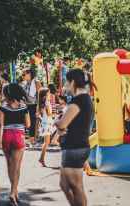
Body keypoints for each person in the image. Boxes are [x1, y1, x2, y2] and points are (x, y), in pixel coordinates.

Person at [54, 69, 97, 206]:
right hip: (73, 146)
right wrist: (63, 128)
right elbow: (69, 124)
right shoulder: (83, 100)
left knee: (76, 187)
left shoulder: (79, 100)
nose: (64, 87)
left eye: (66, 83)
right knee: (65, 185)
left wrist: (56, 121)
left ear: (73, 82)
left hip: (75, 147)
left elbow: (61, 124)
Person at [0, 83, 30, 205]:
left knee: (9, 164)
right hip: (18, 136)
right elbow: (28, 125)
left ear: (6, 95)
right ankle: (13, 192)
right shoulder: (23, 107)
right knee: (16, 167)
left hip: (6, 136)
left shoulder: (2, 108)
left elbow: (0, 125)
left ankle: (14, 192)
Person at [22, 67, 42, 150]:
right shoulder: (24, 83)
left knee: (32, 124)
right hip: (24, 105)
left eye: (24, 74)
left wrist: (39, 106)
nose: (22, 76)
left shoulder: (36, 82)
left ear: (29, 74)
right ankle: (21, 142)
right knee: (24, 123)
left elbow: (40, 95)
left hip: (33, 105)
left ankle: (31, 143)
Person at [37, 88, 57, 167]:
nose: (50, 94)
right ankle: (41, 158)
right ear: (45, 96)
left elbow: (40, 115)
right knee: (46, 142)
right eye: (48, 93)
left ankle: (41, 158)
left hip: (45, 123)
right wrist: (56, 115)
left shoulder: (42, 103)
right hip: (47, 123)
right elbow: (49, 114)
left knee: (46, 142)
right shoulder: (47, 103)